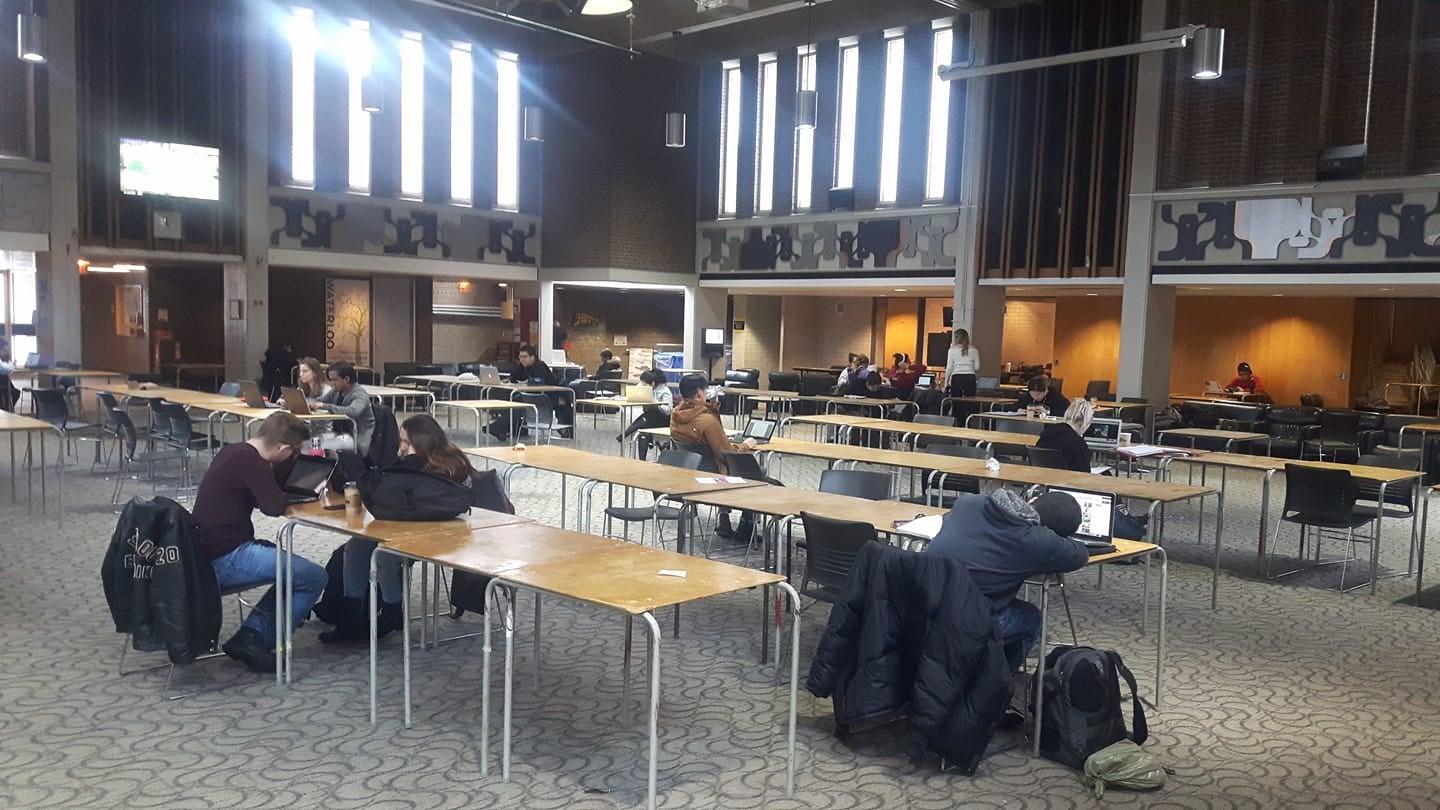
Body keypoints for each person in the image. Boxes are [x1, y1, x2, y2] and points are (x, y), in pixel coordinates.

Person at [322, 413, 478, 643]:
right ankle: (351, 615)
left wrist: (413, 463)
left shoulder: (452, 464)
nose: (402, 447)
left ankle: (393, 610)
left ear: (422, 442)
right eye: (401, 441)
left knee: (385, 555)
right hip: (404, 526)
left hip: (443, 533)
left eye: (407, 442)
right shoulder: (407, 461)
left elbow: (427, 499)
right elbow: (387, 485)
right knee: (356, 546)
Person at [193, 411, 328, 673]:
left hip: (205, 552)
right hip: (225, 559)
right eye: (294, 452)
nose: (294, 457)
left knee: (292, 571)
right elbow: (274, 505)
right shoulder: (252, 463)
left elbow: (259, 496)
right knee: (313, 576)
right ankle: (254, 640)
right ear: (283, 448)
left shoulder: (233, 452)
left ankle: (252, 636)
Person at [925, 488, 1088, 673]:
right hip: (963, 621)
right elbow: (1080, 555)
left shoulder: (969, 502)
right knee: (1031, 619)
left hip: (922, 603)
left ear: (1032, 499)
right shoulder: (1038, 541)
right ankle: (995, 683)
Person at [670, 373, 758, 539]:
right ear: (699, 394)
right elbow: (727, 454)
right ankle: (747, 525)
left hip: (692, 474)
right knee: (754, 474)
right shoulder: (707, 421)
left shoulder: (676, 416)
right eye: (706, 390)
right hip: (717, 477)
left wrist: (712, 407)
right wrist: (745, 445)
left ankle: (724, 519)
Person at [509, 343, 574, 435]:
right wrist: (508, 381)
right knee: (512, 399)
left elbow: (538, 383)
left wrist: (525, 383)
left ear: (533, 357)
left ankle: (507, 428)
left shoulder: (540, 366)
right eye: (520, 357)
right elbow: (514, 377)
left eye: (525, 357)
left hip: (549, 396)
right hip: (533, 395)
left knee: (516, 400)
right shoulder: (522, 366)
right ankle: (513, 429)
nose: (522, 359)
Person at [315, 361, 375, 456]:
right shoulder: (336, 391)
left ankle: (332, 467)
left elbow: (353, 411)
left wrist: (325, 406)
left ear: (346, 379)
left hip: (356, 437)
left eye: (335, 380)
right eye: (330, 380)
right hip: (340, 434)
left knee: (321, 445)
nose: (332, 383)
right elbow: (320, 401)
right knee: (314, 441)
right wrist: (307, 404)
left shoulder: (359, 394)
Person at [619, 368, 673, 458]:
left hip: (663, 419)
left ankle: (625, 433)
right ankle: (642, 459)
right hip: (650, 419)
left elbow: (668, 410)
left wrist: (656, 405)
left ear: (654, 383)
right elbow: (634, 392)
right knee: (644, 430)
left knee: (649, 416)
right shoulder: (644, 385)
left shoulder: (665, 391)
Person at [1037, 397, 1095, 472]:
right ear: (1083, 423)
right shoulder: (1078, 443)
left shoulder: (1046, 434)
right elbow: (1085, 472)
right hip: (1067, 481)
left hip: (1043, 478)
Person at [945, 328, 981, 398]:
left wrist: (946, 382)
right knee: (970, 401)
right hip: (970, 377)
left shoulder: (952, 350)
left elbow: (949, 368)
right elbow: (977, 367)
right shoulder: (974, 350)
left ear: (956, 338)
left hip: (957, 377)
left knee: (956, 401)